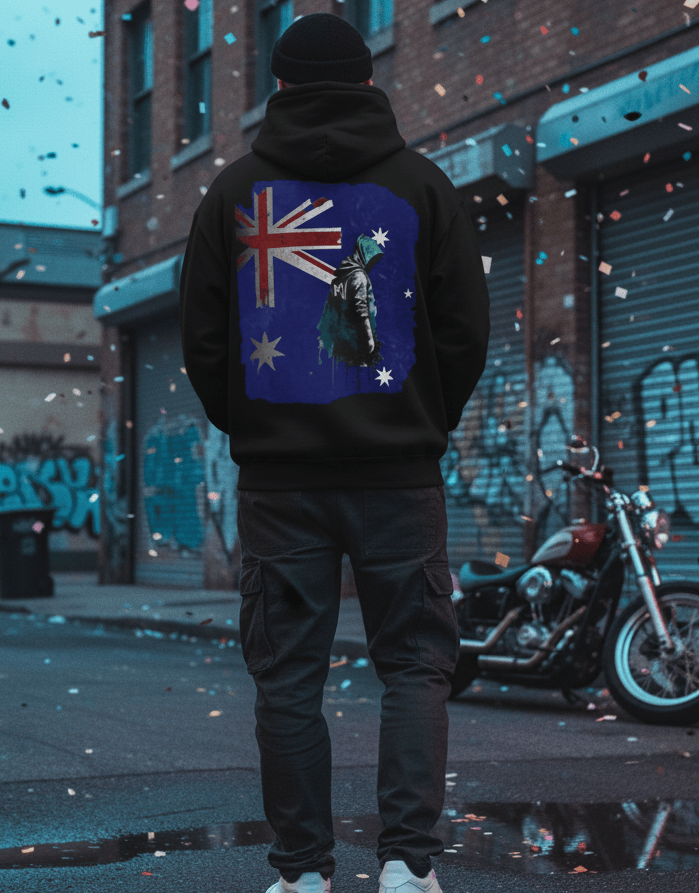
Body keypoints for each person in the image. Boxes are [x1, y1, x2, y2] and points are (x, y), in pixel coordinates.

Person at [179, 12, 490, 893]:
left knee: (286, 677)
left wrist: (255, 429)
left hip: (280, 485)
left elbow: (203, 341)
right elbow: (465, 330)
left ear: (276, 87)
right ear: (367, 81)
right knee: (416, 666)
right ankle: (407, 865)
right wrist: (418, 419)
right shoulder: (423, 186)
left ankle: (301, 875)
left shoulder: (231, 194)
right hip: (398, 476)